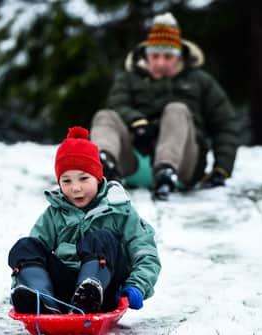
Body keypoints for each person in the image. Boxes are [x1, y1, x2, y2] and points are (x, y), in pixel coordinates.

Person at [8, 126, 161, 314]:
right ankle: (41, 299)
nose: (76, 188)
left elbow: (145, 252)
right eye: (67, 181)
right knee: (25, 246)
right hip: (65, 288)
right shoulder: (55, 213)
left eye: (83, 179)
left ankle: (90, 293)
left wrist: (137, 285)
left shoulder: (119, 209)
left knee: (101, 238)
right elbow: (34, 253)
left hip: (106, 287)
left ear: (98, 177)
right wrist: (21, 283)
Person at [90, 12, 239, 200]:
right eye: (155, 56)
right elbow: (117, 104)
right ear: (146, 55)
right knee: (105, 116)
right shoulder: (129, 79)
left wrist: (222, 168)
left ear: (179, 57)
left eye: (168, 56)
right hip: (135, 160)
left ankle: (166, 171)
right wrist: (137, 123)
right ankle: (102, 166)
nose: (161, 62)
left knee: (176, 109)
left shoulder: (200, 81)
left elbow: (224, 124)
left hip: (184, 164)